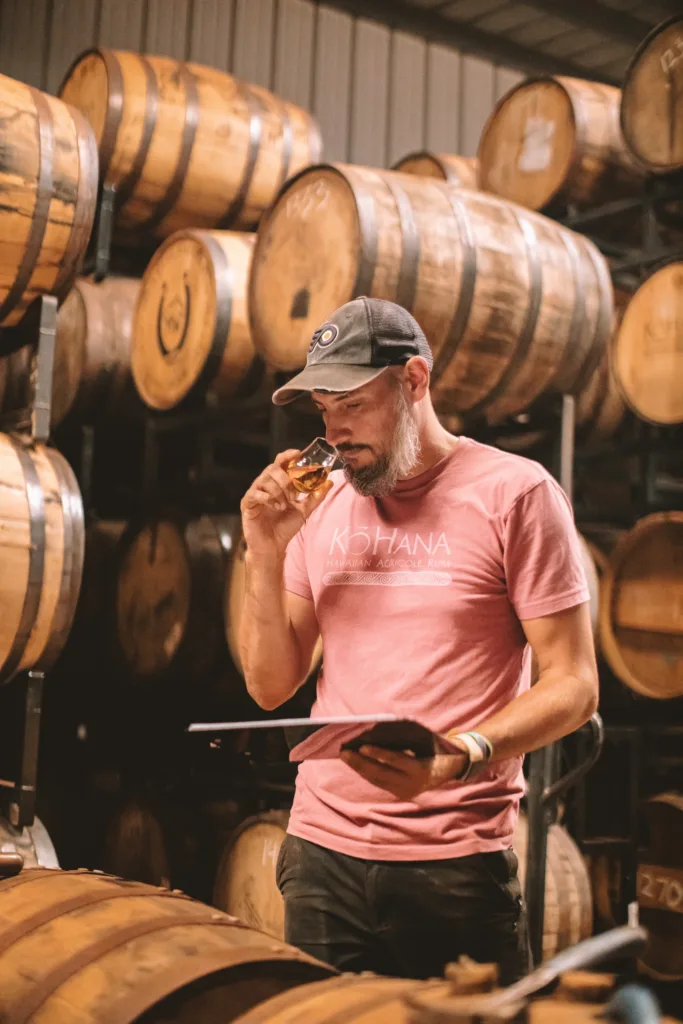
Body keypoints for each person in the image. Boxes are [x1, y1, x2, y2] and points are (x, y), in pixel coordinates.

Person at [238, 296, 598, 984]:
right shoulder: (320, 507)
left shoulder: (515, 494)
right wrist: (265, 550)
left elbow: (574, 685)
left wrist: (464, 754)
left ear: (413, 382)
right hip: (319, 858)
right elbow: (268, 684)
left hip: (453, 865)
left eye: (352, 404)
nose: (335, 431)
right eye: (323, 410)